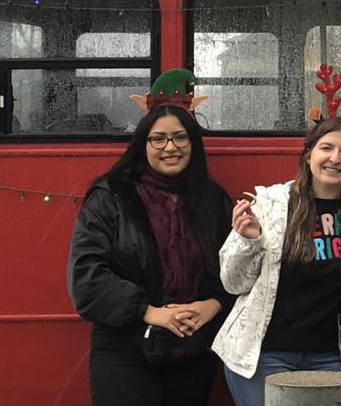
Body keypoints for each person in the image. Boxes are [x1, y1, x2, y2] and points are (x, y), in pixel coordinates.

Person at [211, 115, 341, 406]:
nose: (335, 158)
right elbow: (232, 283)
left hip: (331, 356)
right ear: (308, 155)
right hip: (263, 358)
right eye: (326, 148)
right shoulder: (271, 204)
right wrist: (249, 241)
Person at [67, 101, 234, 406]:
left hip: (194, 347)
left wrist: (215, 304)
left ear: (193, 143)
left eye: (180, 137)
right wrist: (149, 312)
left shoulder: (214, 200)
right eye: (158, 138)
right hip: (125, 348)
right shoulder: (112, 196)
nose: (170, 147)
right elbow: (86, 278)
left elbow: (239, 270)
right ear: (142, 144)